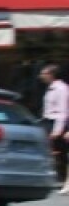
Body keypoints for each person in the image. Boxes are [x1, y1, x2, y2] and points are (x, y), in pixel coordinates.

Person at [38, 63, 68, 191]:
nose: (41, 76)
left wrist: (57, 130)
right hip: (48, 122)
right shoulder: (51, 88)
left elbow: (62, 111)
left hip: (56, 123)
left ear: (51, 75)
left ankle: (65, 181)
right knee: (51, 153)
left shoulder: (61, 89)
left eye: (43, 74)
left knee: (61, 154)